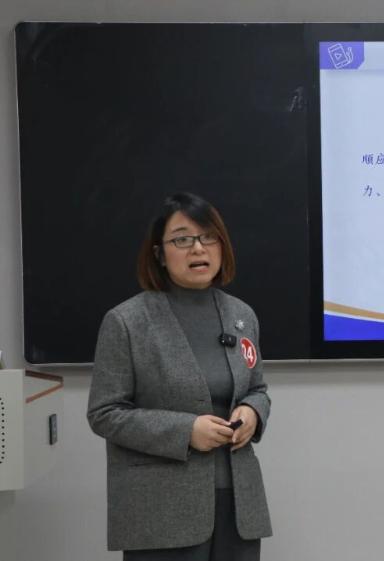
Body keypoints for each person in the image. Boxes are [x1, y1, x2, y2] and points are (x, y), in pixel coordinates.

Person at [88, 192, 272, 561]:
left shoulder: (242, 315)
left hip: (238, 507)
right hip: (161, 512)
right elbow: (105, 413)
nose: (198, 248)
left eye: (208, 237)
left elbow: (257, 388)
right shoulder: (127, 322)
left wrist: (253, 412)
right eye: (182, 239)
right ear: (159, 254)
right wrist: (186, 432)